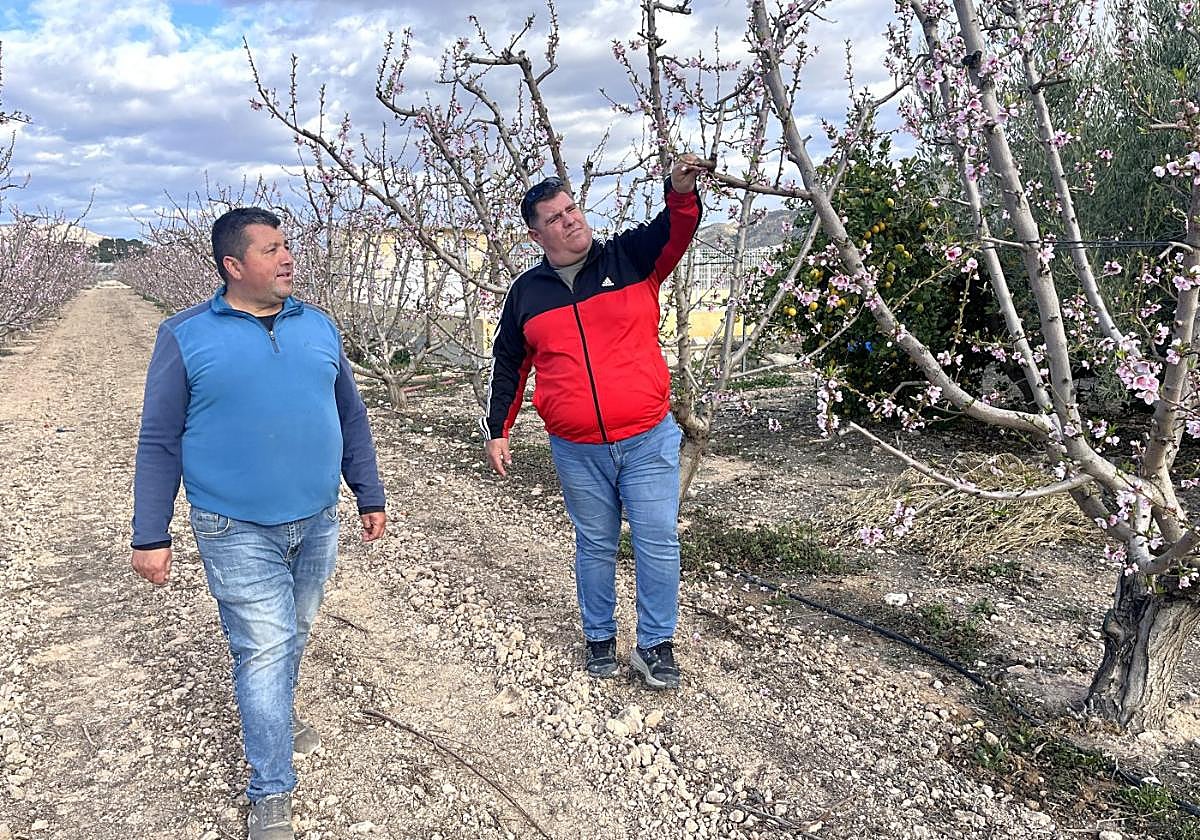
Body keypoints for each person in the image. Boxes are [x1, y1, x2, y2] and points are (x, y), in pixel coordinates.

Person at [130, 207, 386, 840]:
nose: (287, 258)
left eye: (287, 246)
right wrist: (151, 531)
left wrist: (368, 492)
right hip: (233, 525)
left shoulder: (319, 326)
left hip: (317, 518)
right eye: (271, 250)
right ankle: (271, 788)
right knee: (266, 647)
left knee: (291, 632)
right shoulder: (185, 334)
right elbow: (159, 439)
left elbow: (349, 415)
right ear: (233, 266)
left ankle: (270, 711)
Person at [481, 156, 704, 690]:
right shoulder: (527, 294)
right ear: (538, 235)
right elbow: (510, 361)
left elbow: (675, 227)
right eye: (556, 217)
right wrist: (498, 429)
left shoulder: (629, 258)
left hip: (648, 437)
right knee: (595, 544)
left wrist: (679, 189)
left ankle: (655, 646)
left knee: (657, 539)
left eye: (572, 208)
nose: (571, 220)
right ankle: (599, 637)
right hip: (577, 448)